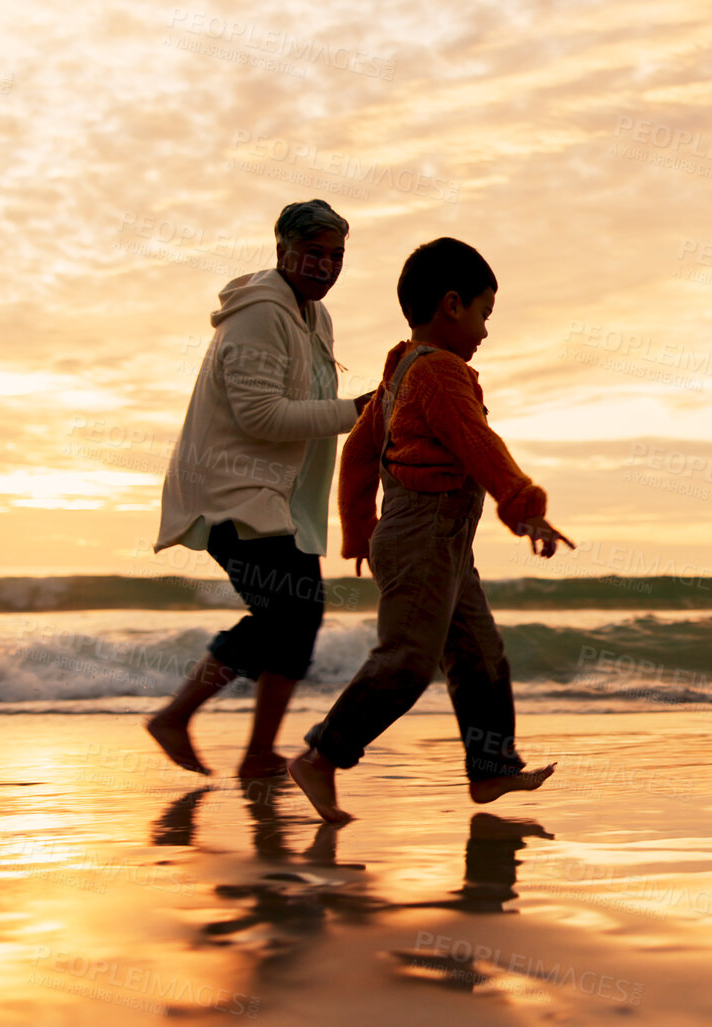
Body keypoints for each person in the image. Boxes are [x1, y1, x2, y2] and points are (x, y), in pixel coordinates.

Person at [288, 237, 572, 823]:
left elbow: (360, 457)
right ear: (451, 304)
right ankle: (322, 755)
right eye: (484, 314)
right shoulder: (440, 375)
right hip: (423, 534)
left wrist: (362, 529)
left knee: (480, 655)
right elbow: (479, 445)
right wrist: (525, 505)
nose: (486, 332)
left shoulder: (400, 376)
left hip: (435, 540)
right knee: (409, 661)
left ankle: (491, 769)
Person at [145, 199, 372, 779]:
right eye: (313, 253)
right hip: (230, 489)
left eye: (336, 256)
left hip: (279, 498)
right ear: (282, 251)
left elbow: (308, 404)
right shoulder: (259, 313)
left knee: (300, 614)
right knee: (285, 614)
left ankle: (257, 752)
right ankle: (176, 717)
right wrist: (359, 411)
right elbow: (261, 417)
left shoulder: (315, 317)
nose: (325, 266)